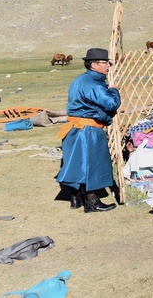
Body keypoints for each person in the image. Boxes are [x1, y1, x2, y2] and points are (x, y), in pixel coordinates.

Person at [56, 48, 121, 213]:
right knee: (91, 165)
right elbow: (111, 103)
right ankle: (92, 203)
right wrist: (114, 91)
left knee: (78, 163)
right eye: (105, 62)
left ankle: (75, 198)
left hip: (76, 128)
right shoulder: (92, 84)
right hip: (87, 130)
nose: (108, 66)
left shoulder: (81, 80)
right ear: (93, 65)